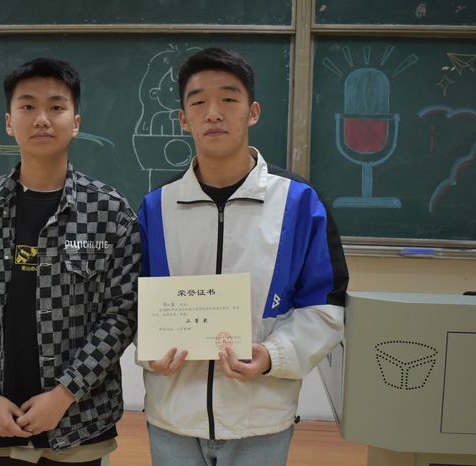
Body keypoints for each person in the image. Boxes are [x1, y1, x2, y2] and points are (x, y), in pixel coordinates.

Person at [136, 47, 349, 466]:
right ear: (183, 119)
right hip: (172, 417)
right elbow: (132, 302)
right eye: (199, 102)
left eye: (228, 99)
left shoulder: (299, 204)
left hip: (260, 418)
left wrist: (273, 356)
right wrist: (149, 346)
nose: (213, 113)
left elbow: (325, 307)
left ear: (253, 112)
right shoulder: (156, 207)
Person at [0, 57, 141, 466]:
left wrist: (64, 394)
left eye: (56, 107)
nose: (42, 119)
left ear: (76, 122)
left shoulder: (110, 211)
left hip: (78, 425)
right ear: (9, 122)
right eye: (27, 106)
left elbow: (121, 315)